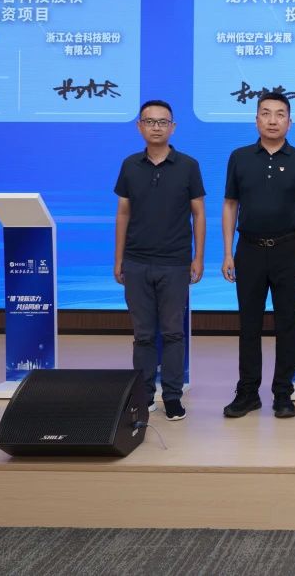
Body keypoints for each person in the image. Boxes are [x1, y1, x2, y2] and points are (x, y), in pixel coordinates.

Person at [220, 90, 295, 420]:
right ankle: (248, 392)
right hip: (248, 250)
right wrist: (227, 252)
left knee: (287, 324)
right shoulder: (239, 157)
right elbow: (230, 205)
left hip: (289, 250)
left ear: (289, 122)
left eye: (279, 114)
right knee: (249, 324)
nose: (272, 120)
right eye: (266, 113)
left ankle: (282, 392)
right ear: (256, 119)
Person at [113, 100, 205, 422]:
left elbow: (198, 213)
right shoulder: (129, 165)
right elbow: (123, 213)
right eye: (149, 121)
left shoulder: (188, 165)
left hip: (175, 263)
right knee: (143, 334)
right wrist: (119, 258)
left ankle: (173, 396)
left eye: (162, 122)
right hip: (136, 261)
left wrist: (198, 257)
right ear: (139, 126)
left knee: (173, 333)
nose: (156, 127)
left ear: (173, 127)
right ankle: (144, 394)